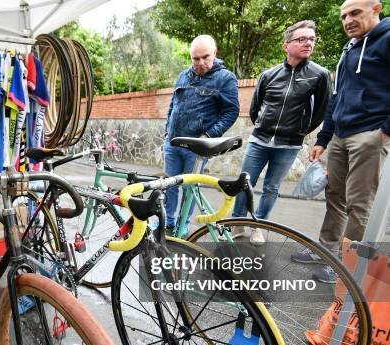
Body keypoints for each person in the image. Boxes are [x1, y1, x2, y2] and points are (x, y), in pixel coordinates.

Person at [292, 0, 389, 283]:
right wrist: (324, 137)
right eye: (344, 16)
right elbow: (338, 97)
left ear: (376, 8)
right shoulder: (350, 48)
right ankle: (326, 250)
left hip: (369, 135)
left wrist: (383, 132)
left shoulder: (386, 39)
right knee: (335, 197)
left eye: (355, 13)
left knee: (359, 205)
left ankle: (348, 266)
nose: (348, 20)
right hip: (340, 136)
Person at [232, 20, 331, 244]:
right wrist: (263, 126)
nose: (308, 43)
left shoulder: (319, 75)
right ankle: (237, 220)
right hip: (260, 140)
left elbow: (323, 110)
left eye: (312, 39)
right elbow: (255, 107)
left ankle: (259, 224)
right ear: (286, 45)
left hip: (289, 145)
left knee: (272, 188)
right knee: (244, 182)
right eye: (301, 39)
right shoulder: (269, 74)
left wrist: (302, 130)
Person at [164, 35, 239, 236]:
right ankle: (168, 223)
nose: (201, 63)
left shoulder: (225, 79)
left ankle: (182, 225)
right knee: (169, 186)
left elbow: (231, 112)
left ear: (214, 53)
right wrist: (166, 129)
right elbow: (173, 105)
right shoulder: (183, 76)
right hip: (172, 143)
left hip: (196, 147)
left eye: (205, 57)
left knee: (189, 189)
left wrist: (209, 135)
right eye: (195, 59)